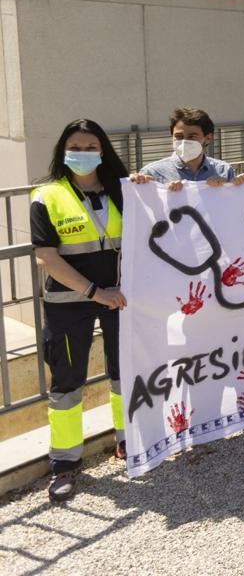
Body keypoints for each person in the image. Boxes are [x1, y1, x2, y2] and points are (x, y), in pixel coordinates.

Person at [32, 120, 129, 502]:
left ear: (103, 151)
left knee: (125, 373)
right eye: (76, 146)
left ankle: (128, 440)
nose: (83, 153)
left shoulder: (123, 191)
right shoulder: (47, 195)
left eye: (91, 146)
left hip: (120, 299)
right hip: (69, 304)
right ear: (62, 150)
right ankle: (65, 463)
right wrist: (94, 292)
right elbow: (46, 258)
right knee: (67, 383)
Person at [136, 107, 239, 187]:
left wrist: (231, 185)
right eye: (179, 137)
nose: (184, 142)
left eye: (192, 136)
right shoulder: (152, 173)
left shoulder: (224, 171)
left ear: (208, 138)